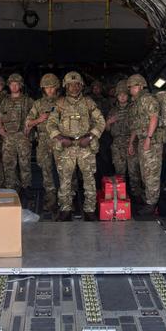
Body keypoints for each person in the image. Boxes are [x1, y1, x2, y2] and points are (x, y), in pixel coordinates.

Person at [47, 71, 106, 221]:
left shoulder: (88, 102)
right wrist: (60, 138)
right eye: (70, 85)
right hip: (67, 146)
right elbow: (51, 123)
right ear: (66, 86)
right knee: (65, 180)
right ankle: (65, 210)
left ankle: (90, 210)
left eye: (77, 84)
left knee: (89, 180)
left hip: (85, 146)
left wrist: (90, 136)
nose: (74, 87)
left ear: (81, 86)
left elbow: (101, 121)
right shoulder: (59, 104)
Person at [127, 74, 163, 212]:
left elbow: (154, 118)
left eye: (133, 87)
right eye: (130, 87)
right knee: (145, 173)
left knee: (151, 173)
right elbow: (137, 125)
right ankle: (148, 200)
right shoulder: (137, 102)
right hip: (143, 140)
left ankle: (152, 204)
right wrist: (131, 143)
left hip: (152, 142)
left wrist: (148, 138)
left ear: (140, 86)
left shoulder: (147, 99)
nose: (131, 90)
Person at [25, 73, 60, 214]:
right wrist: (39, 119)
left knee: (65, 171)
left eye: (52, 87)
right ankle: (51, 199)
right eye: (47, 88)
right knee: (46, 171)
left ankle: (67, 200)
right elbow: (28, 122)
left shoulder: (63, 102)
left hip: (60, 139)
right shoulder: (38, 104)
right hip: (44, 140)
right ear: (43, 89)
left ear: (57, 87)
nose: (50, 90)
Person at [0, 74, 33, 194]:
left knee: (25, 164)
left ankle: (26, 188)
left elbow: (35, 115)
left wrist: (30, 126)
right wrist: (0, 127)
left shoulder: (27, 100)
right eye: (12, 84)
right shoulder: (5, 101)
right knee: (8, 164)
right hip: (8, 137)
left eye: (16, 84)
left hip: (23, 137)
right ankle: (11, 189)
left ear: (21, 85)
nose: (14, 86)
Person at [106, 80, 143, 199]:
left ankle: (136, 196)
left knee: (134, 172)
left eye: (124, 94)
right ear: (117, 96)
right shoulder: (112, 111)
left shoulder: (133, 109)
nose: (122, 97)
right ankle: (121, 196)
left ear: (128, 95)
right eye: (120, 95)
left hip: (131, 142)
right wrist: (109, 122)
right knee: (119, 173)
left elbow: (137, 127)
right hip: (117, 144)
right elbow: (105, 129)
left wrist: (131, 143)